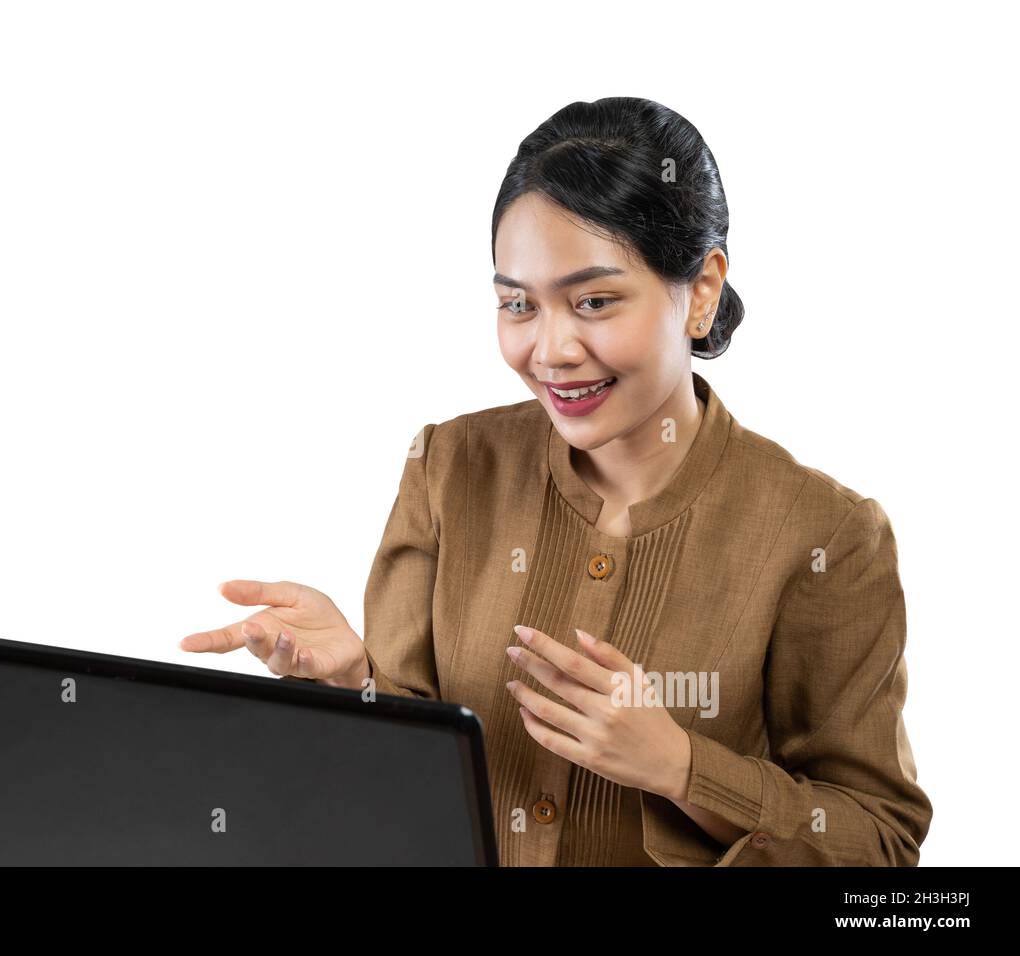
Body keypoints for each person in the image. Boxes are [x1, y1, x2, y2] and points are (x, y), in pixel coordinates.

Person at [179, 97, 932, 866]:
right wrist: (354, 683)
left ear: (700, 291)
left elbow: (877, 839)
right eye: (518, 304)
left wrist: (681, 768)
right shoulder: (448, 467)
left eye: (594, 302)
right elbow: (400, 778)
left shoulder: (824, 536)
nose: (551, 349)